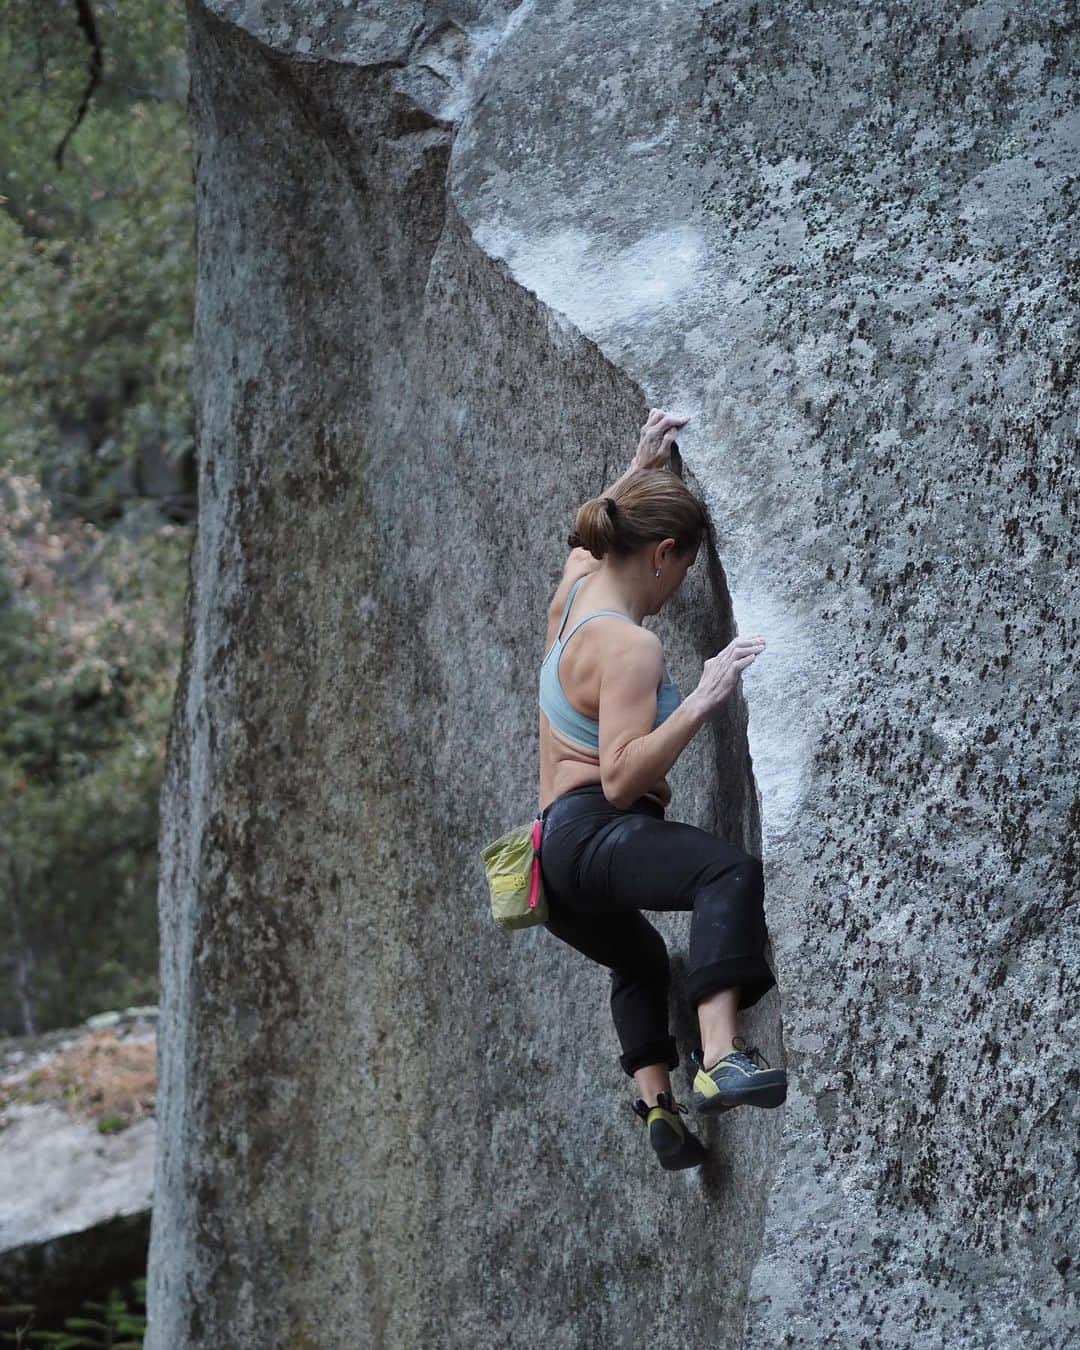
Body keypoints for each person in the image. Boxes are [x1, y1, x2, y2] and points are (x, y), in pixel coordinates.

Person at [537, 408, 786, 1172]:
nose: (677, 587)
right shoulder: (632, 645)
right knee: (726, 872)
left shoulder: (575, 595)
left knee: (641, 959)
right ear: (665, 554)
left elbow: (588, 541)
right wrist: (705, 699)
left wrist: (642, 467)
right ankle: (719, 1058)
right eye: (680, 571)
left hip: (550, 863)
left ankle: (656, 1103)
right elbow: (620, 779)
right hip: (596, 829)